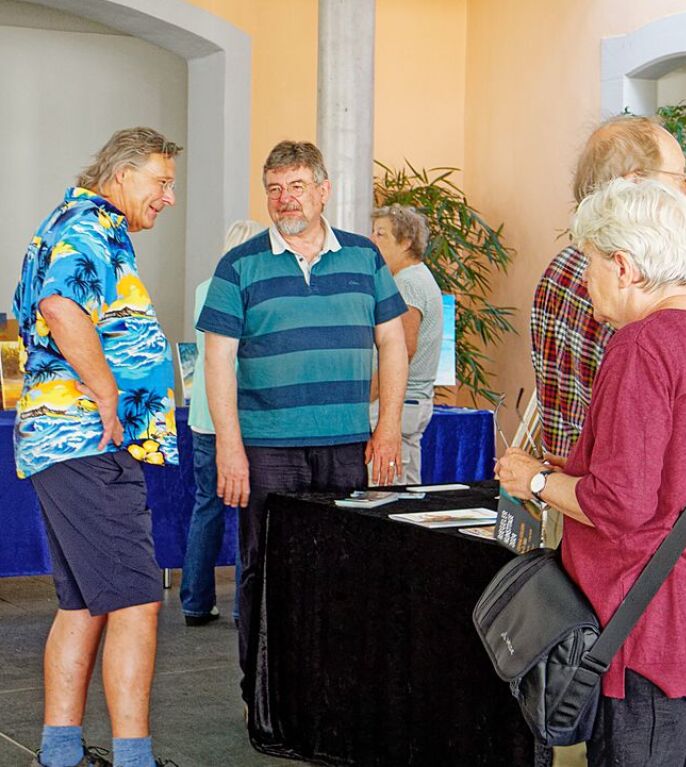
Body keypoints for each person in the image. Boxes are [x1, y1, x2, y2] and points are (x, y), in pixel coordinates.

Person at [498, 178, 686, 767]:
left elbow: (619, 505)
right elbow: (683, 477)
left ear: (623, 266)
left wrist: (535, 483)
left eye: (589, 262)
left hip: (645, 636)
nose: (585, 278)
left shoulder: (642, 345)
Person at [198, 140, 408, 707]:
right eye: (273, 188)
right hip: (267, 449)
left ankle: (336, 695)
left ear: (323, 191)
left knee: (346, 568)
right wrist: (230, 449)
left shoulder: (365, 258)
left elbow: (392, 342)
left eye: (295, 187)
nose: (284, 199)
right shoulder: (238, 265)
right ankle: (266, 700)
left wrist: (387, 428)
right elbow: (216, 361)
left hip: (346, 446)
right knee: (264, 573)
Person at [13, 127, 181, 767]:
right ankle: (133, 760)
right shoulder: (89, 222)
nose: (168, 196)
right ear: (122, 174)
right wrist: (107, 391)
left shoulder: (84, 221)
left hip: (71, 445)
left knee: (83, 602)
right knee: (138, 600)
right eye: (160, 182)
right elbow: (60, 303)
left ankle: (59, 754)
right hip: (87, 440)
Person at [531, 114, 686, 459]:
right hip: (610, 494)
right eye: (680, 178)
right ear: (634, 183)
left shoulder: (560, 267)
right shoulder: (631, 284)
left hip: (571, 486)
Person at [179, 220, 263, 627]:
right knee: (251, 514)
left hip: (203, 419)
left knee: (206, 507)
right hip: (242, 417)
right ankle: (241, 607)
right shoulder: (253, 290)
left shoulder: (202, 290)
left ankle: (196, 600)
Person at [369, 205, 443, 484]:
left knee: (384, 491)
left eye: (381, 234)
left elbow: (403, 347)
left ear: (407, 241)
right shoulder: (419, 276)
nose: (373, 240)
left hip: (399, 402)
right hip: (413, 401)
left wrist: (372, 394)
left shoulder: (406, 283)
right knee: (405, 488)